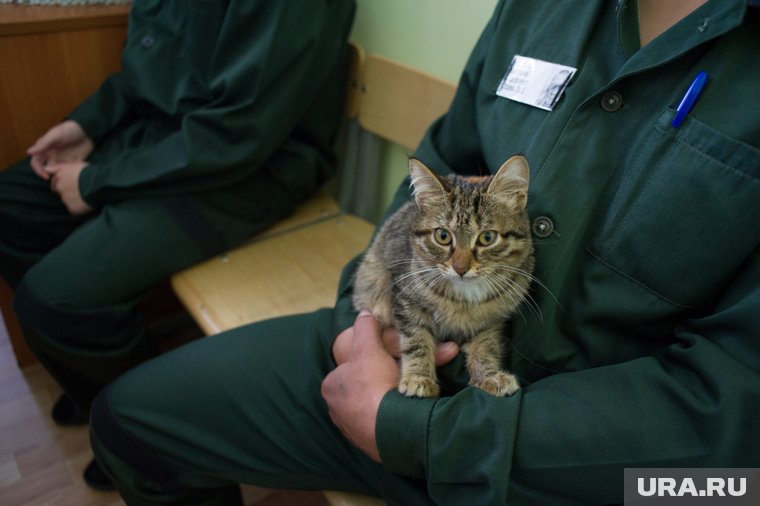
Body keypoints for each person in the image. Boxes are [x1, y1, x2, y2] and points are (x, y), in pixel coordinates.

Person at [89, 0, 760, 504]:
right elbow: (441, 167)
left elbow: (733, 439)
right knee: (127, 420)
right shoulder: (538, 9)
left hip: (597, 469)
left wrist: (426, 438)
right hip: (408, 348)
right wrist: (362, 321)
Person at [0, 0, 355, 489]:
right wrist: (89, 124)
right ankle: (104, 390)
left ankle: (146, 434)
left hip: (248, 170)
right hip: (169, 139)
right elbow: (146, 69)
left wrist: (99, 180)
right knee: (11, 206)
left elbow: (239, 132)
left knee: (51, 301)